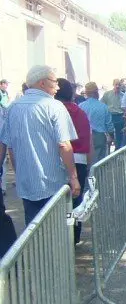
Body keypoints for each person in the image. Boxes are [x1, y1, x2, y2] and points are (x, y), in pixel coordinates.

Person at [0, 65, 80, 225]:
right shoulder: (55, 106)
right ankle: (67, 247)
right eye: (54, 82)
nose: (57, 87)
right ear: (42, 83)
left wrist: (18, 173)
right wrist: (74, 177)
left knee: (34, 229)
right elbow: (65, 145)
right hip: (55, 183)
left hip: (27, 184)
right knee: (65, 224)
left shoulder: (13, 107)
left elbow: (7, 146)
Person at [55, 78, 92, 244]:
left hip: (62, 159)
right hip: (81, 159)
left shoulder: (55, 110)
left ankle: (64, 234)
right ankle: (73, 234)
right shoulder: (80, 112)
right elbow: (88, 139)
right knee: (75, 201)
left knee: (61, 201)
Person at [79, 82, 113, 162]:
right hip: (99, 136)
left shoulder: (81, 106)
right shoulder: (103, 107)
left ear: (86, 93)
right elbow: (109, 125)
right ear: (96, 92)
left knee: (86, 160)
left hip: (85, 136)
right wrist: (112, 136)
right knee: (99, 162)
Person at [100, 79, 125, 149]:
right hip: (110, 116)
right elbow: (102, 104)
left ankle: (117, 151)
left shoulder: (124, 95)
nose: (117, 86)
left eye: (119, 85)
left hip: (120, 116)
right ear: (113, 85)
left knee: (119, 136)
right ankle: (108, 151)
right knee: (109, 135)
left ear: (121, 85)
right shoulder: (107, 94)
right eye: (116, 84)